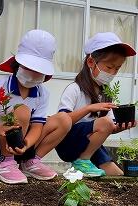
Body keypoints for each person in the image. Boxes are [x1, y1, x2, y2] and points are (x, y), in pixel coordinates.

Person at [0, 29, 72, 184]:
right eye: (29, 68)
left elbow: (37, 127)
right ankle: (5, 163)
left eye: (38, 71)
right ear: (18, 63)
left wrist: (26, 145)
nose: (33, 74)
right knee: (21, 111)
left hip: (23, 143)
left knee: (64, 119)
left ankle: (30, 161)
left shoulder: (42, 93)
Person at [56, 32, 137, 176]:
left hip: (91, 146)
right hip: (68, 143)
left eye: (117, 69)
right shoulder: (75, 89)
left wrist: (120, 127)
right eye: (109, 67)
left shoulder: (106, 94)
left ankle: (84, 162)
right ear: (91, 62)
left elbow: (108, 126)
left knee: (117, 175)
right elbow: (62, 121)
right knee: (105, 122)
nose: (112, 73)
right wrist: (89, 108)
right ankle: (82, 162)